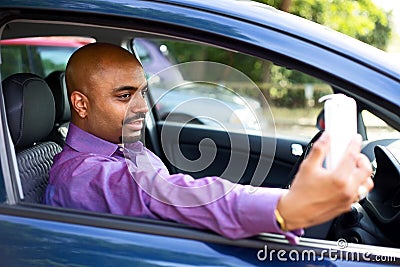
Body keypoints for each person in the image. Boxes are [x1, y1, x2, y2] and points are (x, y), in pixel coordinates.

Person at [45, 43, 373, 244]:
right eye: (125, 96)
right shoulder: (82, 176)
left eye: (142, 92)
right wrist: (284, 209)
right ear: (81, 105)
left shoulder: (122, 145)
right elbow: (168, 193)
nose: (143, 107)